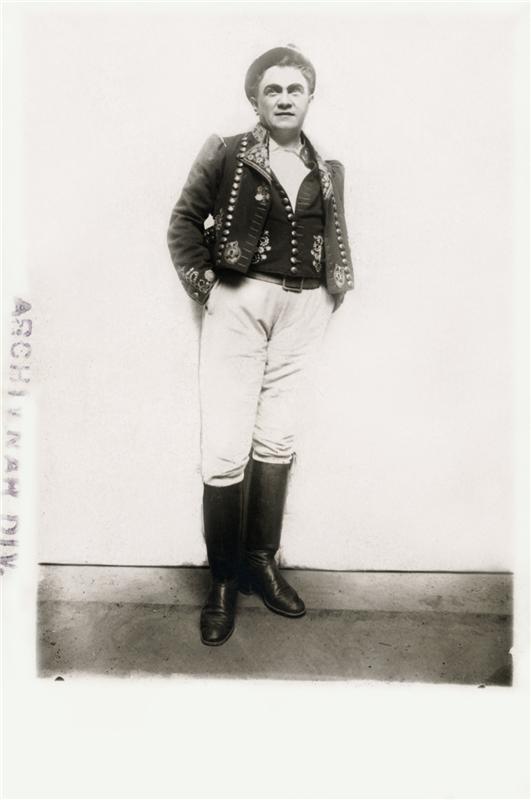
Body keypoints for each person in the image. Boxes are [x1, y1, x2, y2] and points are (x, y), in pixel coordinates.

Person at [167, 44, 353, 646]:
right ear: (256, 99)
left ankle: (260, 563)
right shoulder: (226, 152)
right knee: (225, 445)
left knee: (278, 438)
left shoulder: (329, 169)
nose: (284, 98)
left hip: (305, 309)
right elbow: (183, 223)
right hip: (239, 303)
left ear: (310, 97)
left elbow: (333, 236)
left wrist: (329, 296)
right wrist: (209, 291)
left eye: (295, 89)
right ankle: (223, 581)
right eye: (272, 89)